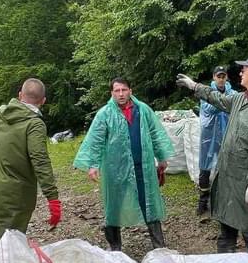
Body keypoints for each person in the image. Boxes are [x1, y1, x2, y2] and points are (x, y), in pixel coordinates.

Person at [176, 54, 248, 263]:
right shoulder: (242, 99)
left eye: (244, 69)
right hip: (226, 175)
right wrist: (194, 86)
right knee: (225, 222)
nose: (240, 73)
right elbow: (218, 98)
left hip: (245, 180)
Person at [73, 77, 174, 252]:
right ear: (111, 93)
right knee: (114, 205)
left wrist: (162, 157)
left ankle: (159, 246)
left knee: (148, 201)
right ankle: (115, 248)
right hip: (115, 168)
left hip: (143, 166)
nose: (121, 94)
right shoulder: (104, 114)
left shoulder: (143, 110)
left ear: (130, 91)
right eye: (117, 90)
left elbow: (156, 134)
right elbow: (95, 140)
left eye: (124, 90)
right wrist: (93, 165)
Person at [0, 78, 61, 262]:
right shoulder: (35, 124)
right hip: (18, 193)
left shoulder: (0, 115)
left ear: (19, 95)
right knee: (9, 239)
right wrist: (52, 198)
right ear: (43, 101)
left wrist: (5, 107)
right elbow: (40, 160)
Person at [196, 65, 235, 217]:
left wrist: (224, 102)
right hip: (209, 137)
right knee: (204, 169)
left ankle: (224, 202)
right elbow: (210, 109)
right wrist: (225, 103)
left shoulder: (233, 93)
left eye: (223, 76)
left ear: (226, 78)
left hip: (227, 137)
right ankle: (203, 201)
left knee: (226, 169)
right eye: (218, 76)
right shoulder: (206, 93)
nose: (221, 79)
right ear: (213, 77)